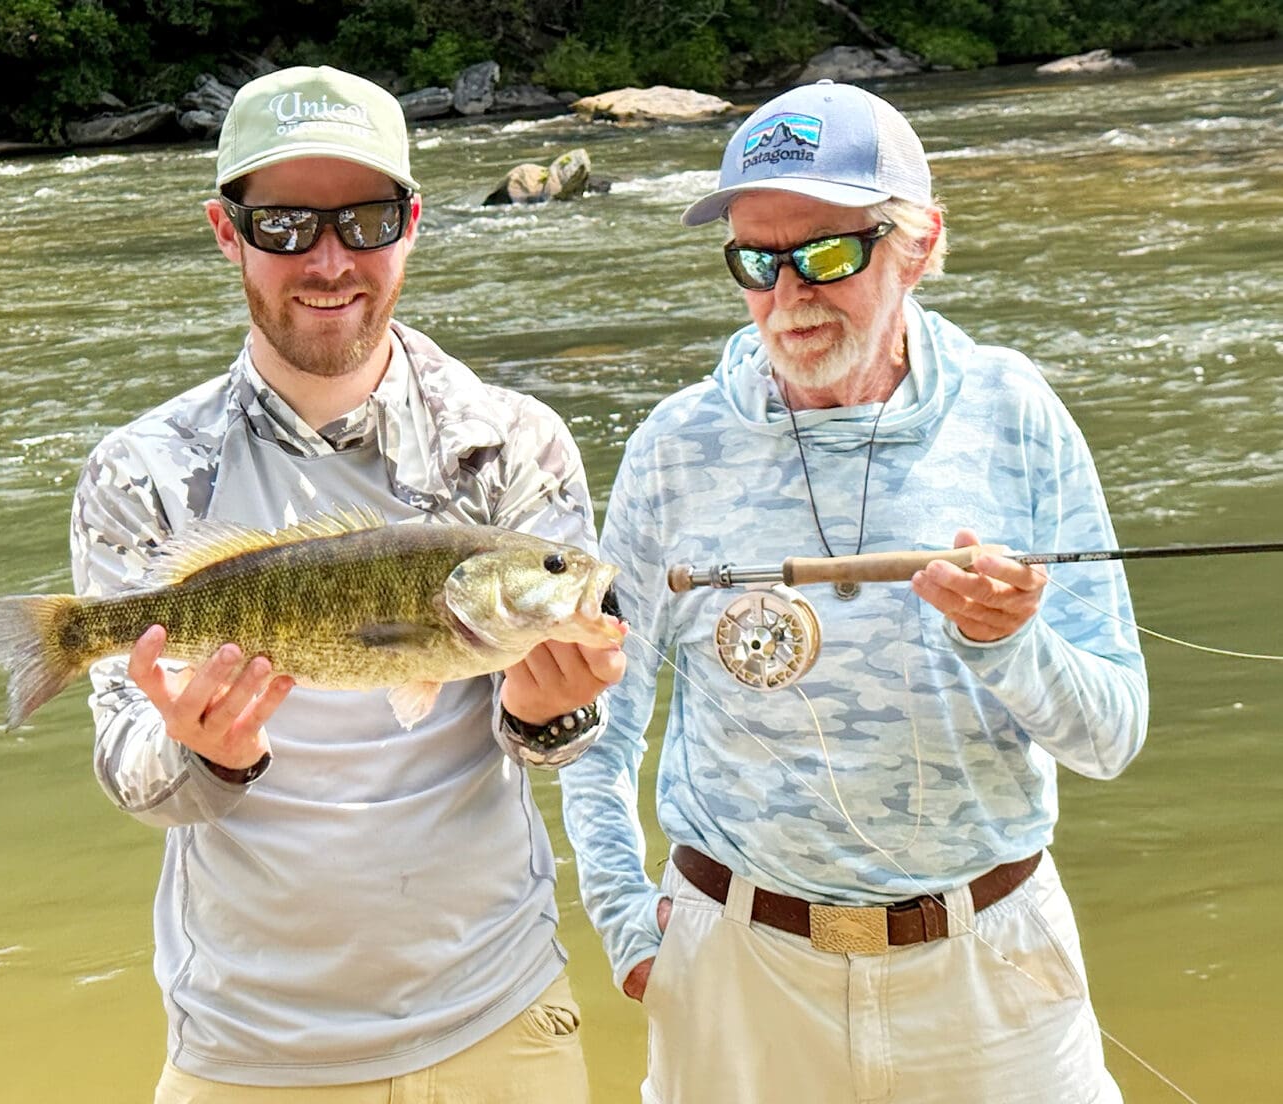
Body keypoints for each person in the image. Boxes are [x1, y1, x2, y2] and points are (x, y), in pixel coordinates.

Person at [560, 80, 1149, 1103]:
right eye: (754, 260)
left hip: (993, 974)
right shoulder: (672, 449)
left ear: (917, 245)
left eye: (829, 254)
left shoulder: (1018, 415)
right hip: (735, 971)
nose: (789, 295)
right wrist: (626, 925)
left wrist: (1011, 644)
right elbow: (591, 725)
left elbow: (1112, 737)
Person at [70, 65, 625, 1103]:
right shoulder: (141, 473)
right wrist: (205, 756)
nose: (327, 262)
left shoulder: (511, 444)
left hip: (497, 1015)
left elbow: (569, 736)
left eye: (365, 221)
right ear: (227, 232)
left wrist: (552, 713)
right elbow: (128, 768)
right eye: (284, 225)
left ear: (411, 225)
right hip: (249, 1044)